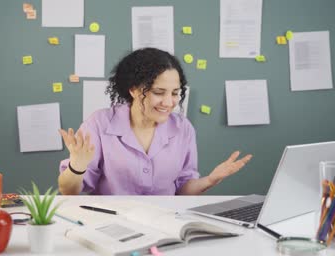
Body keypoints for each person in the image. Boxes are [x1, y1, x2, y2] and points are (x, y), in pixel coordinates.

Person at [58, 47, 252, 195]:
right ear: (133, 90)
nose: (169, 102)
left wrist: (210, 180)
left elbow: (183, 189)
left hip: (164, 222)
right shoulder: (99, 123)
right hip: (110, 221)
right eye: (159, 92)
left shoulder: (183, 128)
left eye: (175, 93)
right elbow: (68, 191)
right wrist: (77, 165)